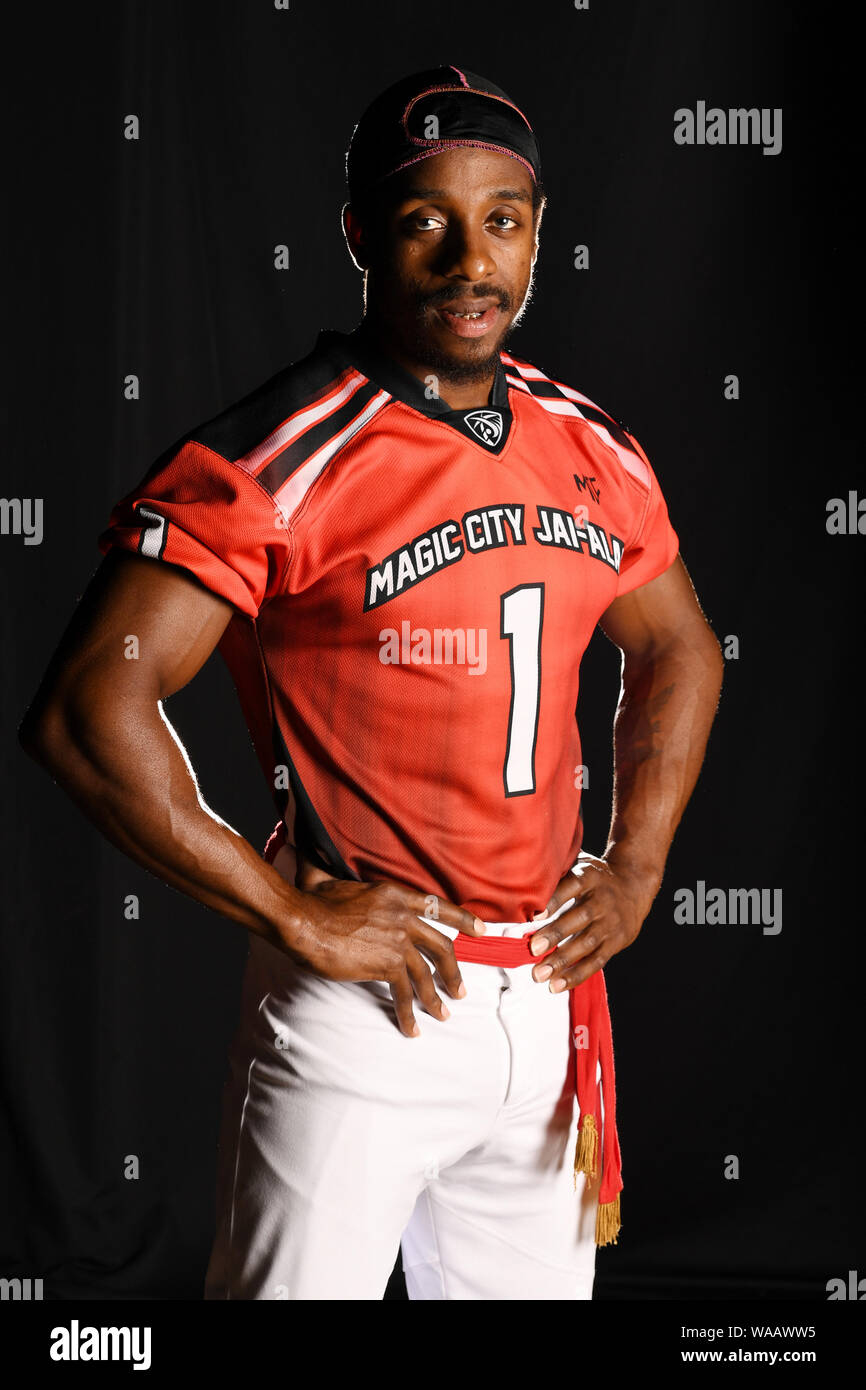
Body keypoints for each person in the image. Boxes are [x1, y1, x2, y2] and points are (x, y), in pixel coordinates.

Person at [18, 65, 725, 1301]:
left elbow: (677, 646)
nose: (470, 258)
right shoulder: (279, 453)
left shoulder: (586, 443)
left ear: (537, 229)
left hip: (546, 1004)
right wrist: (291, 916)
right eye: (423, 221)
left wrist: (638, 863)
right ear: (358, 235)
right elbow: (87, 710)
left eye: (501, 219)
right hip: (366, 1011)